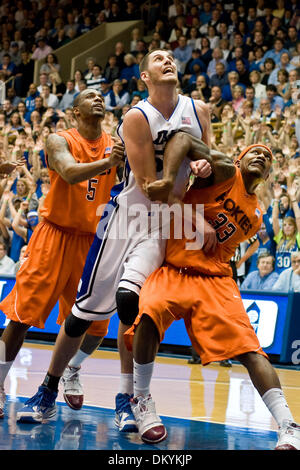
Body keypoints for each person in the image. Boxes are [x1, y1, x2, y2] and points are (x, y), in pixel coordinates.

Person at [15, 49, 213, 430]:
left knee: (131, 303)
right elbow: (148, 185)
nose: (167, 60)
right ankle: (48, 389)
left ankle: (130, 398)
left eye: (171, 56)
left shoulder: (198, 110)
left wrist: (204, 166)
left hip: (165, 223)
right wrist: (191, 210)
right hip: (126, 218)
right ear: (144, 77)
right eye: (158, 58)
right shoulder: (136, 117)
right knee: (82, 313)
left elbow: (211, 164)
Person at [124, 142, 300, 449]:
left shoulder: (256, 215)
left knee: (250, 350)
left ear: (269, 174)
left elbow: (224, 250)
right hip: (176, 268)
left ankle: (288, 425)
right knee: (149, 313)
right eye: (254, 152)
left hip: (215, 279)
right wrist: (179, 177)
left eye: (268, 158)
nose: (261, 156)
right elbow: (183, 139)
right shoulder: (223, 170)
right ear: (238, 158)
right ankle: (141, 400)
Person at [0, 89, 124, 419]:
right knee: (21, 315)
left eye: (101, 96)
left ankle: (71, 369)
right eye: (90, 96)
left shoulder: (117, 143)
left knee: (96, 326)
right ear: (74, 112)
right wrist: (109, 163)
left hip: (92, 241)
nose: (99, 98)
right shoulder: (58, 140)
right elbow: (69, 172)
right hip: (53, 235)